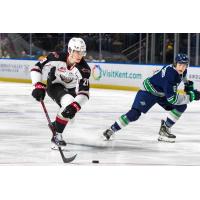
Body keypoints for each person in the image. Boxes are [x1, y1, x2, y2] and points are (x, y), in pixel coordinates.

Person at [103, 53, 200, 143]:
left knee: (181, 106)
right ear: (175, 63)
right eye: (180, 64)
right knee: (134, 114)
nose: (182, 67)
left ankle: (164, 129)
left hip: (161, 94)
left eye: (184, 65)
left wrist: (188, 84)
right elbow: (172, 99)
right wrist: (191, 96)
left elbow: (183, 77)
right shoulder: (170, 75)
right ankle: (111, 130)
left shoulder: (181, 70)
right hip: (148, 92)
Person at [31, 37, 91, 148]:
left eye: (82, 52)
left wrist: (75, 106)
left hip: (72, 90)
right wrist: (37, 85)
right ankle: (57, 136)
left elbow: (84, 93)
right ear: (69, 50)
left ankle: (55, 126)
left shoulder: (84, 69)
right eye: (77, 51)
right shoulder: (55, 56)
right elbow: (36, 67)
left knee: (69, 115)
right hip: (55, 85)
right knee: (68, 102)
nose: (79, 55)